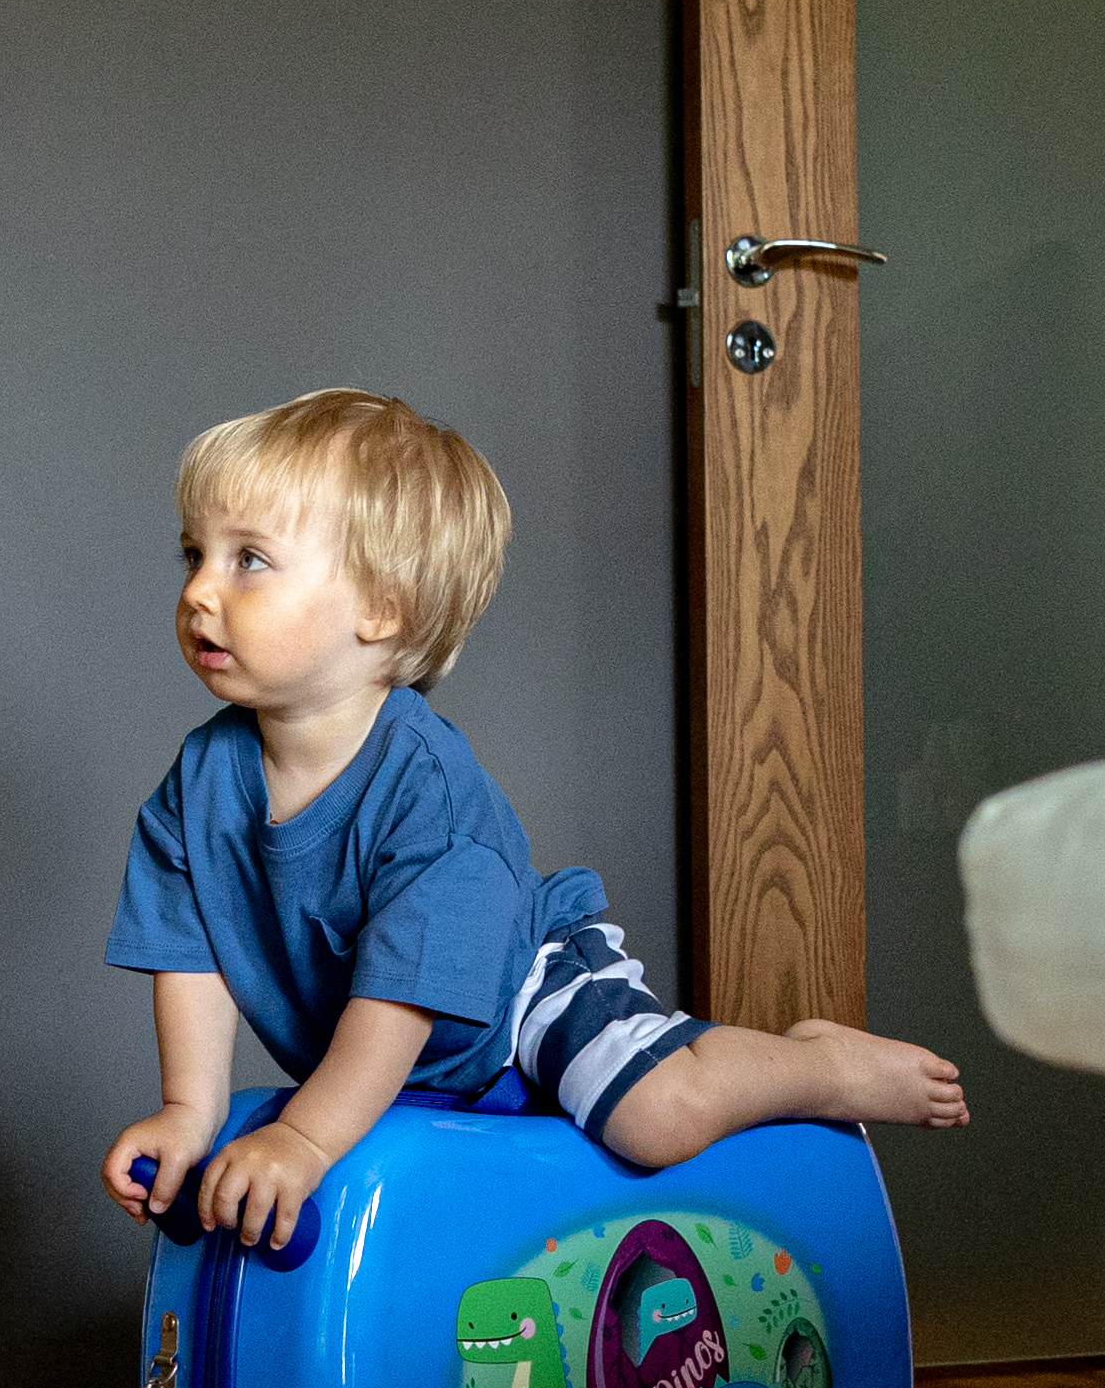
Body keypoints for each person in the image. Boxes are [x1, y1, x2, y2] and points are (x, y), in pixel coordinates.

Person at [99, 388, 966, 1249]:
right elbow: (191, 954)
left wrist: (307, 1136)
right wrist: (190, 1110)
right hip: (393, 1058)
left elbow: (402, 1001)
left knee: (658, 1117)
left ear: (382, 607)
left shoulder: (427, 796)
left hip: (520, 997)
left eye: (248, 559)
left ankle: (818, 1065)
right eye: (193, 556)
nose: (201, 591)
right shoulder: (200, 783)